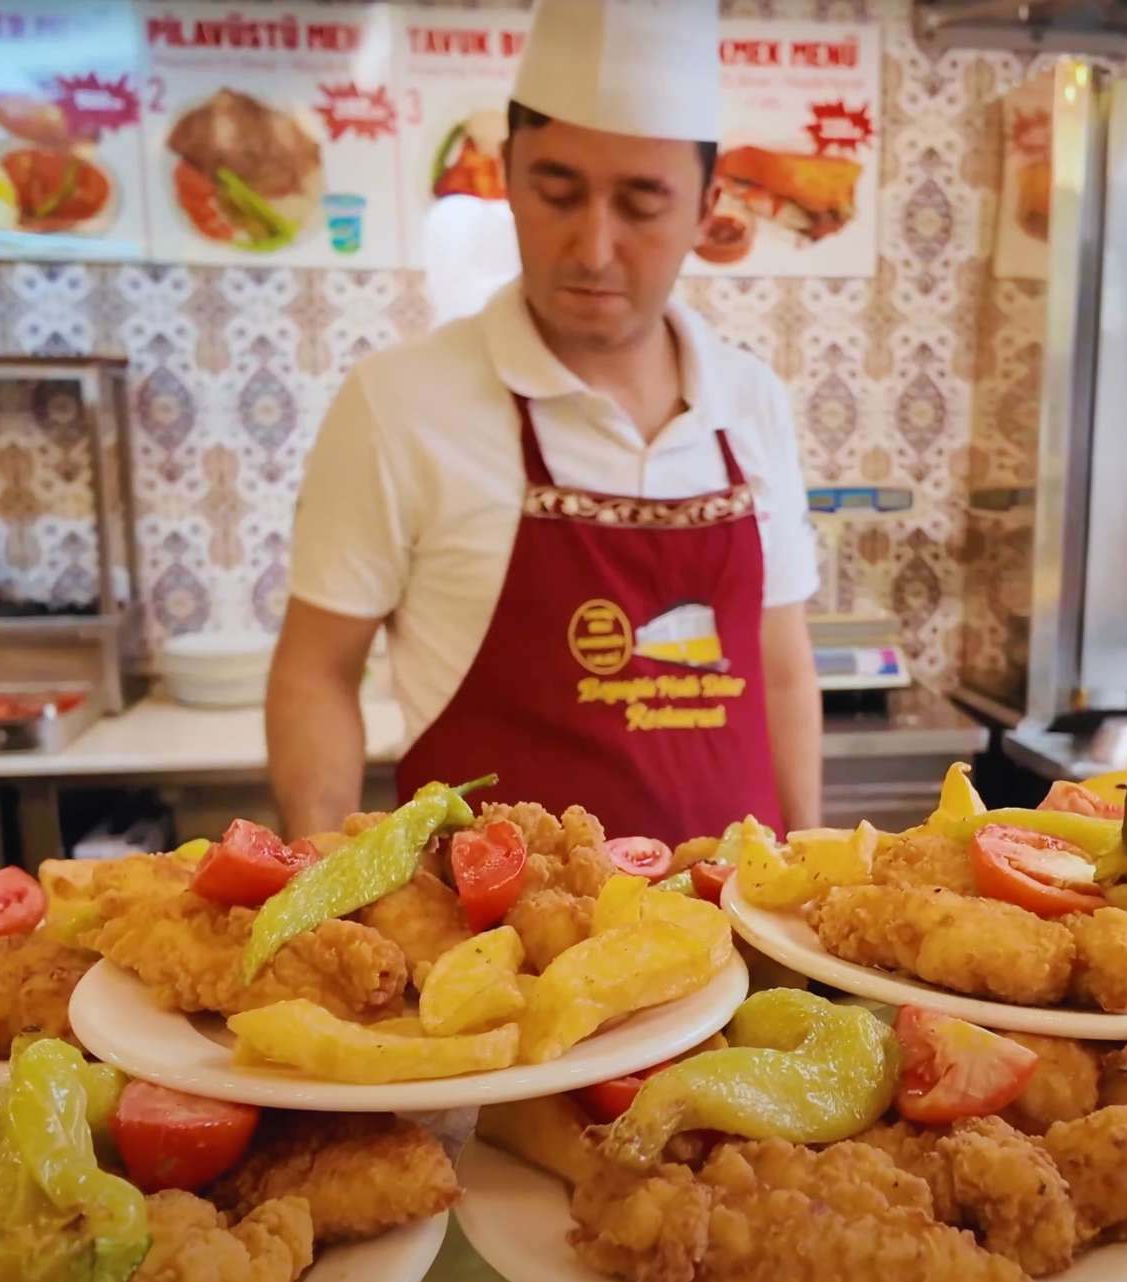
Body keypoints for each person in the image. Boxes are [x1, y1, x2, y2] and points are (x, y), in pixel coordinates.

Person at [265, 0, 822, 843]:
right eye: (556, 192)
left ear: (707, 207)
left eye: (641, 204)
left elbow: (781, 668)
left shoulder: (751, 399)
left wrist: (807, 892)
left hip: (736, 936)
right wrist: (324, 885)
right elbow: (317, 671)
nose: (593, 247)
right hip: (493, 952)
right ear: (508, 174)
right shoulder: (399, 403)